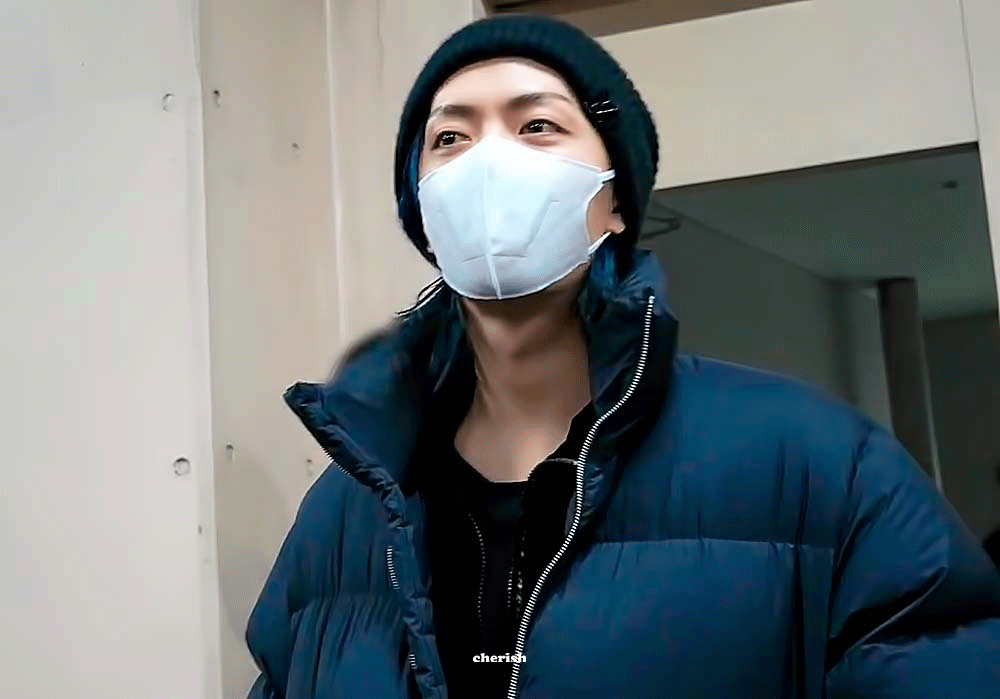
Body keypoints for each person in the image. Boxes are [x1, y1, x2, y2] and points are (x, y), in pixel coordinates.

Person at [246, 15, 1000, 699]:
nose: (488, 161)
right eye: (450, 138)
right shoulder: (344, 512)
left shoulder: (818, 463)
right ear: (423, 212)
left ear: (615, 203)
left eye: (537, 125)